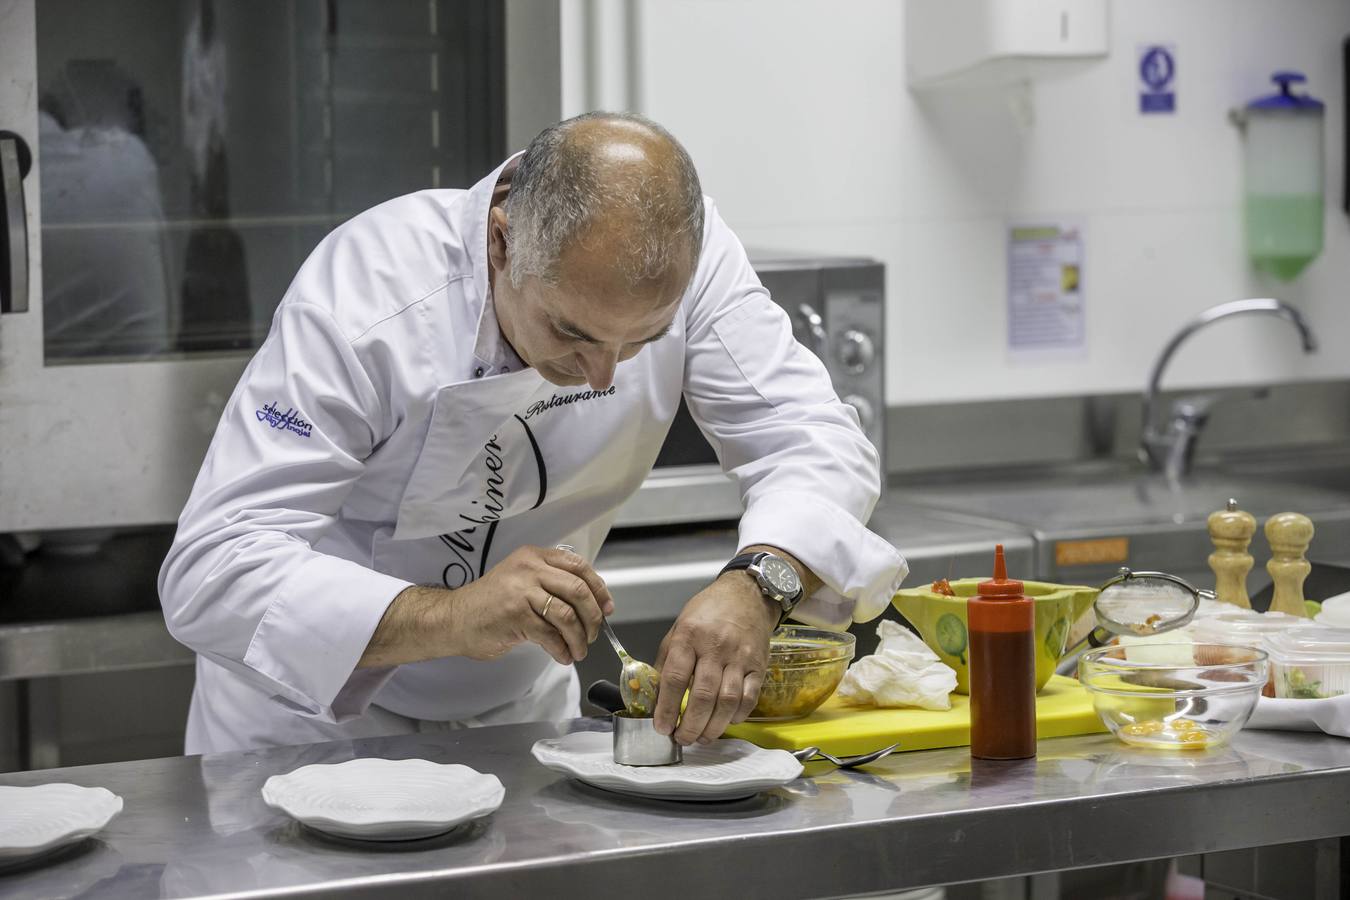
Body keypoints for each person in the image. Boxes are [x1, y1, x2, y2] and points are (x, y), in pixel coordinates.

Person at [158, 112, 907, 754]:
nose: (602, 377)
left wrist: (759, 582)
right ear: (501, 241)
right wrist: (453, 615)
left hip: (521, 718)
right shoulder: (370, 295)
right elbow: (213, 569)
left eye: (643, 341)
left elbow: (812, 436)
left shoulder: (695, 260)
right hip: (310, 724)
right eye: (571, 332)